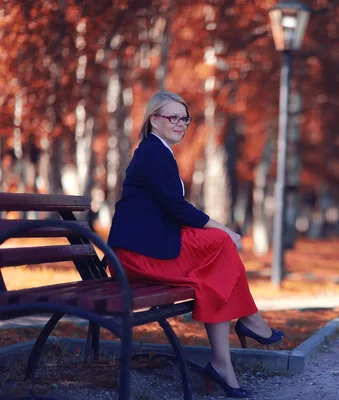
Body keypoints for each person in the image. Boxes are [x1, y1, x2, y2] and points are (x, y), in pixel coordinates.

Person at [107, 91, 283, 398]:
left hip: (151, 245)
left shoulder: (157, 150)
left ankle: (222, 364)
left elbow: (170, 208)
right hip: (137, 255)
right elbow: (176, 208)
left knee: (214, 275)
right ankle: (250, 320)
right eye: (171, 117)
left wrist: (221, 233)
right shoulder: (153, 152)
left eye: (184, 118)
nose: (180, 124)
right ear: (154, 120)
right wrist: (225, 230)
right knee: (220, 243)